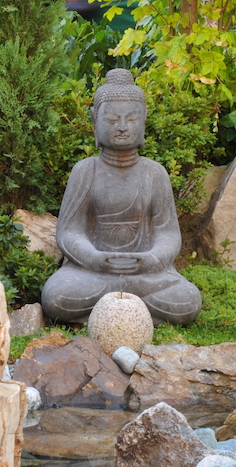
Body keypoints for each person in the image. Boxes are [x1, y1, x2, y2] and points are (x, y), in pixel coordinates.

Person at [41, 69, 202, 325]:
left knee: (187, 299)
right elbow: (69, 233)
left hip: (145, 273)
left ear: (144, 120)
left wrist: (151, 260)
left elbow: (168, 234)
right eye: (113, 119)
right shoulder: (86, 171)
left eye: (132, 119)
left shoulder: (154, 173)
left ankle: (109, 310)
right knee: (57, 297)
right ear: (95, 121)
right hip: (92, 273)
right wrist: (94, 258)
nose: (123, 128)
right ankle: (135, 310)